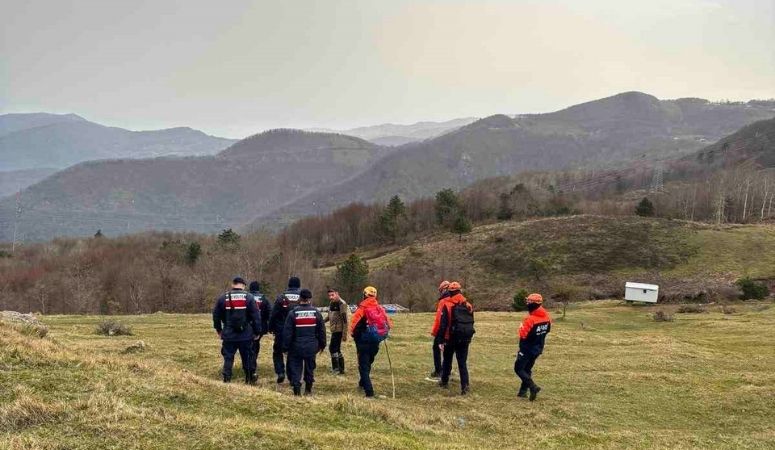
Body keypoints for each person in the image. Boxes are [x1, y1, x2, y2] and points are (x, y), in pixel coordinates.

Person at [212, 276, 262, 384]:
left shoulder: (223, 298)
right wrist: (257, 332)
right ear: (243, 285)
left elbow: (216, 315)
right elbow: (256, 316)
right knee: (247, 358)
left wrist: (219, 330)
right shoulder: (248, 297)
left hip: (229, 334)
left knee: (228, 358)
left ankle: (227, 379)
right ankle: (249, 380)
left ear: (232, 284)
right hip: (246, 335)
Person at [349, 286, 393, 398]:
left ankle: (369, 392)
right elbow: (389, 324)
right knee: (368, 362)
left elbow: (354, 326)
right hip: (376, 341)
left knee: (363, 366)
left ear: (364, 295)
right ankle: (362, 383)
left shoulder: (362, 308)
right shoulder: (380, 308)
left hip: (363, 341)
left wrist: (354, 336)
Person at [282, 288, 326, 396]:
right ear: (310, 299)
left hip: (296, 346)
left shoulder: (293, 313)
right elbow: (321, 330)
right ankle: (308, 390)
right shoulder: (316, 313)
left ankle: (297, 390)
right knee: (309, 367)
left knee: (296, 367)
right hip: (311, 347)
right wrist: (322, 345)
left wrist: (285, 347)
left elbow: (287, 333)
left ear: (299, 298)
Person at [436, 281, 475, 395]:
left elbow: (443, 325)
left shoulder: (447, 304)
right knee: (462, 363)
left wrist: (440, 339)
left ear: (450, 292)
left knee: (447, 360)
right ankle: (465, 386)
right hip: (465, 337)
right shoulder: (467, 304)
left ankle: (444, 381)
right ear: (460, 291)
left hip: (450, 337)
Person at [515, 293, 552, 401]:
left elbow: (523, 335)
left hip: (526, 348)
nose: (527, 304)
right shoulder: (547, 317)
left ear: (533, 304)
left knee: (518, 369)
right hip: (538, 348)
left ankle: (533, 387)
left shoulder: (530, 319)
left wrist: (521, 327)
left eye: (529, 302)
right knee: (527, 369)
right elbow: (547, 331)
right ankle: (522, 392)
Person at [268, 276, 302, 384]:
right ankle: (292, 377)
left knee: (277, 352)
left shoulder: (281, 297)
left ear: (289, 285)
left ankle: (280, 372)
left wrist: (271, 327)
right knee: (292, 353)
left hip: (281, 330)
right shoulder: (302, 297)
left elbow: (273, 314)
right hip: (297, 331)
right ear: (299, 285)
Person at [428, 280, 451, 381]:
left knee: (436, 348)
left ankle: (439, 370)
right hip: (453, 330)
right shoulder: (455, 299)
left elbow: (439, 319)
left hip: (442, 330)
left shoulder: (443, 301)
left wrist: (435, 332)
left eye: (441, 290)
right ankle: (447, 370)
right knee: (449, 350)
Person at [248, 281, 272, 380]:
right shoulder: (264, 298)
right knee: (255, 345)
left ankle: (250, 367)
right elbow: (269, 312)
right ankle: (252, 366)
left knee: (249, 346)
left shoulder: (247, 297)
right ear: (258, 288)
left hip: (247, 326)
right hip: (260, 326)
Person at [325, 288, 348, 375]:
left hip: (339, 330)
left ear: (337, 294)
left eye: (332, 295)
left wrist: (344, 334)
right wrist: (322, 321)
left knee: (332, 348)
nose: (331, 297)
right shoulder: (331, 303)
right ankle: (341, 368)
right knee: (337, 349)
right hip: (333, 329)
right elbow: (329, 316)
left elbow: (345, 320)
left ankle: (336, 369)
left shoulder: (342, 303)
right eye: (329, 295)